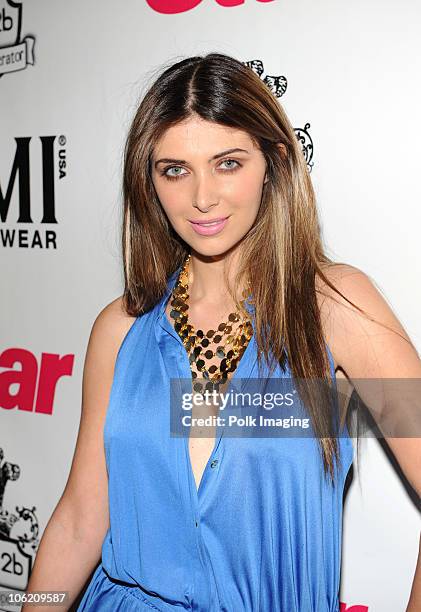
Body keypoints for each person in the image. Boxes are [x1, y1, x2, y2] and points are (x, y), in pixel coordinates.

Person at [23, 53, 421, 612]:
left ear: (274, 161)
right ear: (150, 181)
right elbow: (79, 522)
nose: (202, 197)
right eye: (175, 169)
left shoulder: (336, 306)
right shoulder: (120, 331)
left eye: (228, 163)